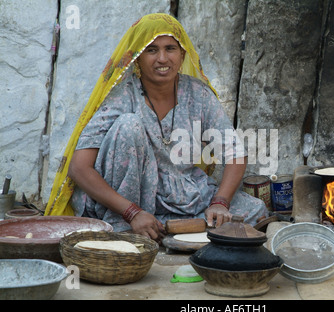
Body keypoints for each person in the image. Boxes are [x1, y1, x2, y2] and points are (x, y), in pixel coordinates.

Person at [44, 13, 268, 243]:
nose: (162, 58)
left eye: (170, 48)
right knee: (129, 125)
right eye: (151, 50)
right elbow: (79, 169)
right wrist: (133, 212)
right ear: (138, 58)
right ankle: (130, 226)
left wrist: (220, 203)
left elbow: (235, 153)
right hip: (129, 200)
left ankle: (165, 228)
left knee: (254, 209)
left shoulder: (197, 94)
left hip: (183, 196)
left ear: (182, 55)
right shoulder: (124, 95)